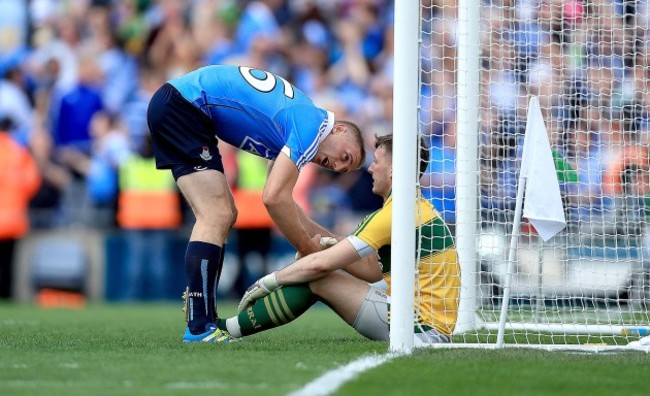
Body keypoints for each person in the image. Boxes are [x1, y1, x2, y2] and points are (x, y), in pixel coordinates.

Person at [146, 64, 365, 343]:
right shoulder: (313, 126)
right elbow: (274, 198)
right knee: (215, 215)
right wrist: (306, 247)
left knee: (223, 214)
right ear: (340, 129)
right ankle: (199, 325)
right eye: (345, 157)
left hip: (184, 107)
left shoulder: (297, 125)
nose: (335, 165)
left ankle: (205, 319)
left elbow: (281, 198)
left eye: (341, 169)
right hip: (185, 106)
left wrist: (313, 238)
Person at [219, 134, 460, 345]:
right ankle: (228, 328)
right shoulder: (415, 207)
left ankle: (226, 329)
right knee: (320, 273)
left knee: (318, 278)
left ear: (394, 170)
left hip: (419, 329)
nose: (370, 169)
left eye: (376, 162)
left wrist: (268, 281)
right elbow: (373, 270)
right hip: (428, 324)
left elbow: (319, 265)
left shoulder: (393, 213)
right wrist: (287, 204)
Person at [0, 116, 42, 299]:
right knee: (8, 263)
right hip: (13, 217)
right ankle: (6, 295)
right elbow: (32, 182)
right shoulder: (18, 152)